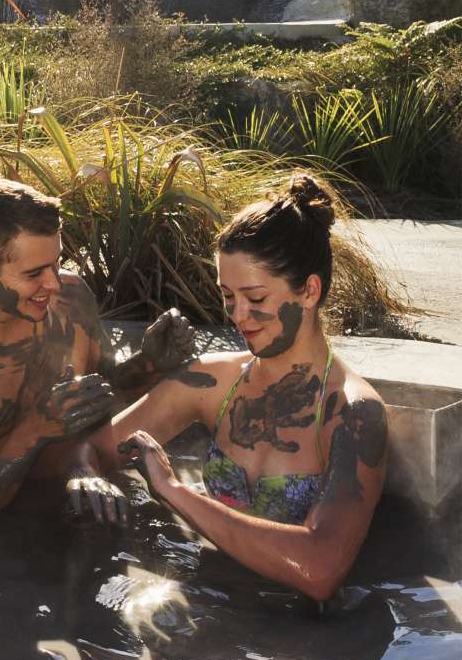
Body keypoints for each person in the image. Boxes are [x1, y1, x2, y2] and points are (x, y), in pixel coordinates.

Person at [84, 176, 388, 602]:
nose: (238, 316)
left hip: (300, 638)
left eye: (256, 298)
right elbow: (91, 450)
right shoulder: (210, 381)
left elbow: (321, 569)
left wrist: (173, 492)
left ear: (310, 291)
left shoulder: (352, 412)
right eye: (228, 296)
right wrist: (85, 477)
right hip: (208, 602)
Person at [0, 178, 196, 522]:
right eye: (34, 272)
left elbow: (103, 401)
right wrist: (34, 432)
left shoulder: (72, 298)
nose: (53, 283)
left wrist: (150, 365)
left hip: (85, 493)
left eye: (57, 262)